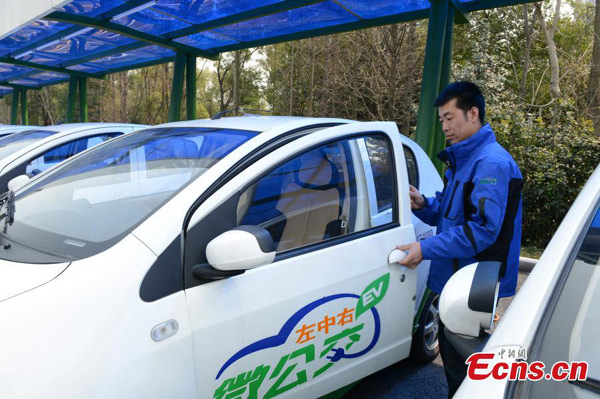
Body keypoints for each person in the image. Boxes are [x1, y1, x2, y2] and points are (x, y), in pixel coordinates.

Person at [398, 81, 523, 398]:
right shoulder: (463, 160)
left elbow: (483, 229)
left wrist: (425, 249)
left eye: (449, 117)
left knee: (464, 366)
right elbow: (450, 213)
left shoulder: (490, 163)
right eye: (441, 119)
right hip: (454, 277)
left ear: (473, 113)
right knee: (455, 357)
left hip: (473, 282)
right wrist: (424, 204)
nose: (444, 126)